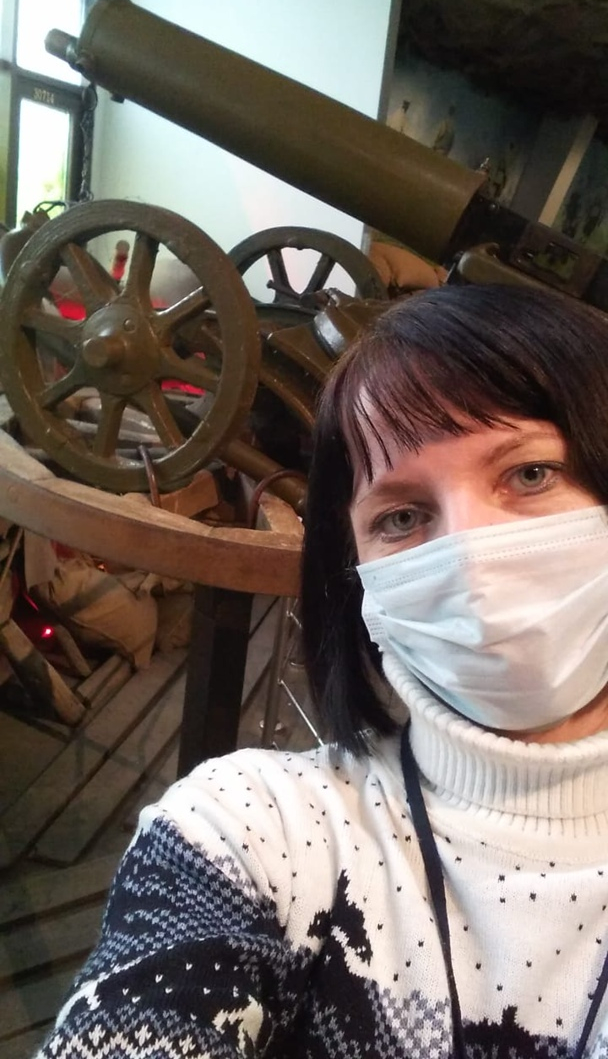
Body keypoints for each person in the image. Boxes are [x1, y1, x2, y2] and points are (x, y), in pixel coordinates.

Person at [37, 283, 608, 1058]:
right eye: (401, 517)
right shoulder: (254, 829)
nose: (471, 563)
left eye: (531, 474)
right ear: (357, 579)